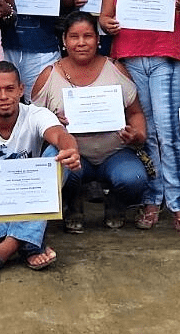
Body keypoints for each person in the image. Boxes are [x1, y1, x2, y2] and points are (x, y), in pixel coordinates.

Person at [100, 0, 180, 235]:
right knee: (144, 131)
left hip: (166, 57)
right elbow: (104, 17)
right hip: (129, 57)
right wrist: (107, 24)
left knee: (168, 133)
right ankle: (153, 198)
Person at [0, 61, 80, 275]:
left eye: (10, 89)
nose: (3, 96)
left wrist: (70, 149)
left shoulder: (36, 114)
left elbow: (61, 135)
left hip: (24, 211)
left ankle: (7, 245)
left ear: (21, 90)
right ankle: (26, 242)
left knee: (58, 153)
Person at [31, 12, 148, 232]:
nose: (81, 42)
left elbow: (135, 113)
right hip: (74, 155)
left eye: (88, 36)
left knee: (134, 178)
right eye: (74, 37)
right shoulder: (48, 75)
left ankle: (116, 202)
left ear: (98, 40)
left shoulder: (115, 69)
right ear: (64, 41)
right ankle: (72, 204)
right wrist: (52, 122)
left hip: (114, 153)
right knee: (59, 170)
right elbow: (31, 123)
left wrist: (137, 135)